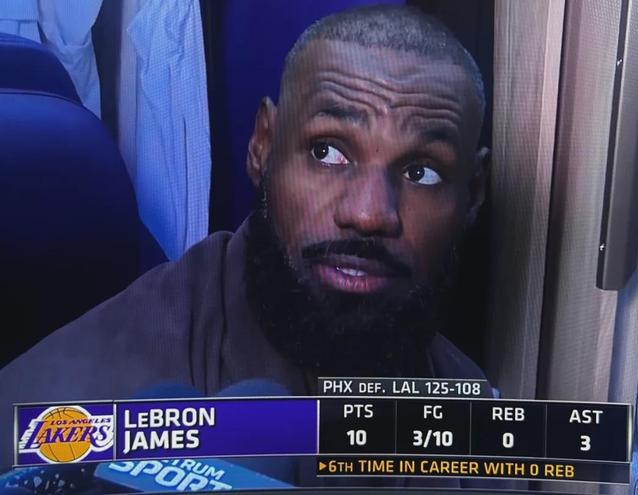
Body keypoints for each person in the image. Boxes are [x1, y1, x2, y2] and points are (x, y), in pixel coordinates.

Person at [0, 4, 489, 474]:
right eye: (327, 152)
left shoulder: (480, 419)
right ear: (263, 147)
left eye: (421, 172)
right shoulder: (76, 405)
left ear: (471, 196)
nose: (368, 213)